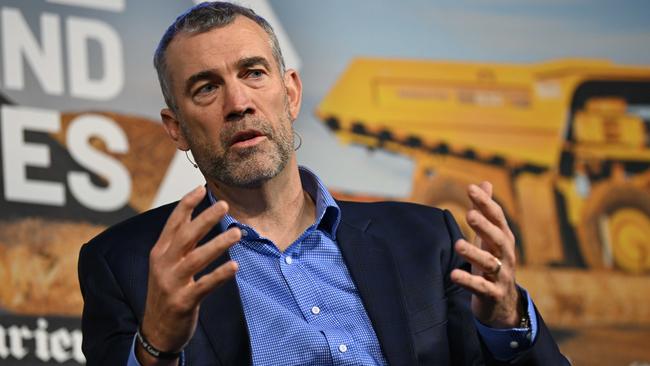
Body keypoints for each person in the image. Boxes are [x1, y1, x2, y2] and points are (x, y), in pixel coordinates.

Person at [78, 2, 569, 365]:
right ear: (176, 128)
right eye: (206, 88)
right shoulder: (128, 265)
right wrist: (155, 346)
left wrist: (505, 323)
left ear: (290, 93)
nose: (239, 102)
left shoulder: (427, 239)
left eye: (253, 73)